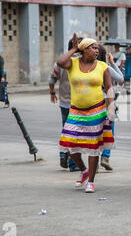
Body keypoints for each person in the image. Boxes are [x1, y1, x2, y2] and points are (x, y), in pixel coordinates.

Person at [57, 34, 115, 193]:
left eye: (97, 48)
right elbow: (60, 62)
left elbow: (109, 87)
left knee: (93, 146)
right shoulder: (73, 63)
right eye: (93, 48)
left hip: (97, 109)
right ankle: (84, 170)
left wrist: (111, 106)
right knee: (67, 144)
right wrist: (74, 49)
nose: (97, 51)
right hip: (76, 110)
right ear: (84, 50)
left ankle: (91, 181)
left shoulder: (102, 66)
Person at [49, 37, 83, 171]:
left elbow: (52, 79)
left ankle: (63, 153)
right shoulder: (81, 61)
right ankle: (73, 163)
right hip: (78, 103)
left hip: (64, 102)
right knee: (77, 134)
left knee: (66, 130)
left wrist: (52, 93)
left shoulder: (61, 61)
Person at [97, 44, 124, 171]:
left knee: (94, 130)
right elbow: (120, 78)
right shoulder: (105, 67)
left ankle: (94, 160)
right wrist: (113, 63)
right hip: (107, 100)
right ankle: (105, 157)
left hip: (94, 101)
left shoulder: (87, 67)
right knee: (109, 128)